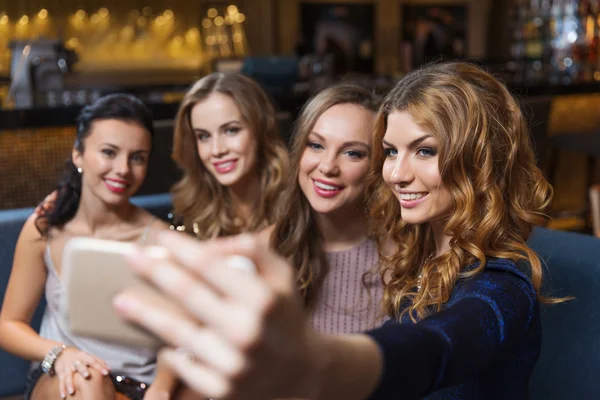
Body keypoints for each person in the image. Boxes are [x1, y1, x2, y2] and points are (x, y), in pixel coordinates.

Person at [113, 61, 560, 400]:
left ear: (478, 160)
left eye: (424, 151)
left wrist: (314, 361)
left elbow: (436, 348)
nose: (397, 173)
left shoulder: (504, 284)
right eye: (390, 151)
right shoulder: (419, 256)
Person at [0, 94, 172, 399]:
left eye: (137, 157)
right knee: (87, 380)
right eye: (109, 152)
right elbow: (8, 324)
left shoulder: (161, 241)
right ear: (78, 154)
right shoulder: (46, 225)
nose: (122, 169)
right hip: (61, 378)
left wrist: (162, 389)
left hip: (135, 387)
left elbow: (178, 337)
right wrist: (60, 353)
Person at [270, 83, 384, 334]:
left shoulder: (405, 260)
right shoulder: (268, 249)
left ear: (377, 167)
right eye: (316, 145)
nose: (328, 166)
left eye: (353, 153)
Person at [170, 72, 289, 239]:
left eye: (231, 130)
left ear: (261, 128)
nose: (217, 150)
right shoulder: (189, 217)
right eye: (203, 136)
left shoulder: (297, 208)